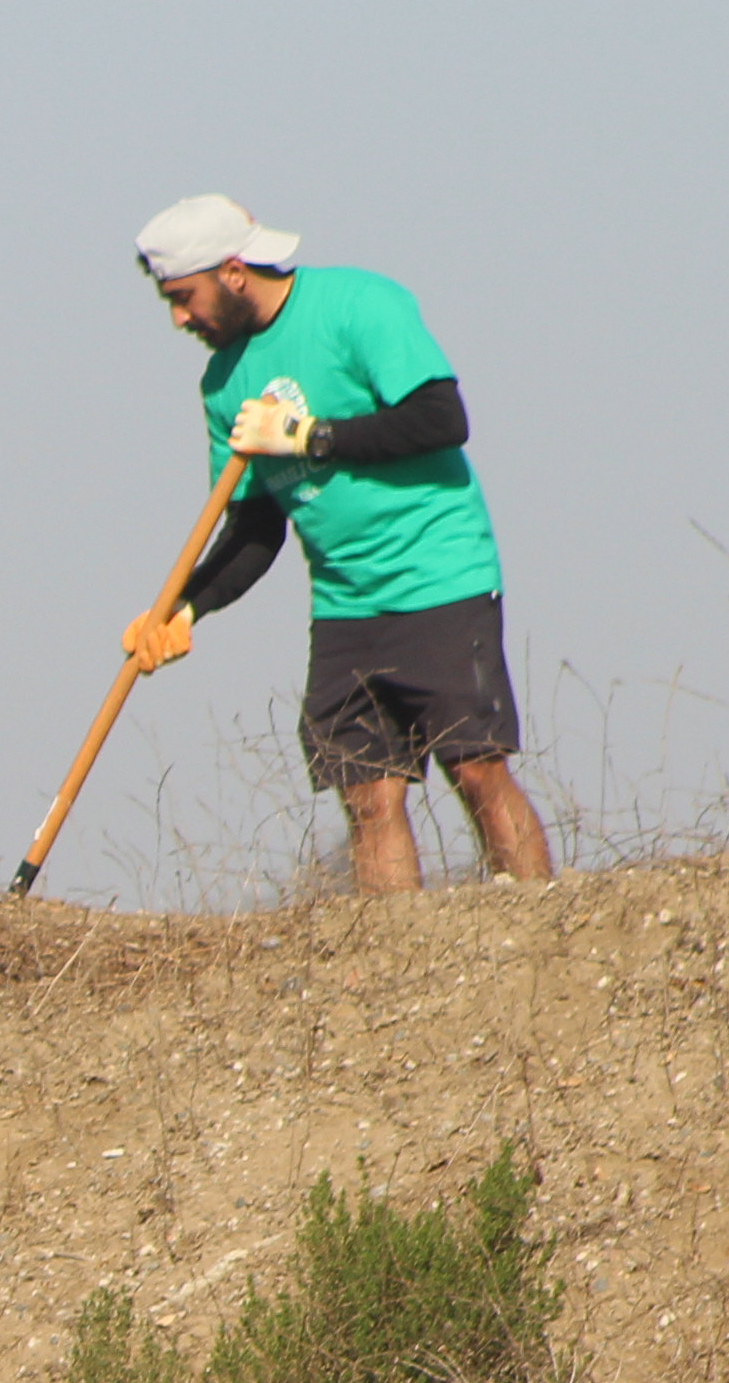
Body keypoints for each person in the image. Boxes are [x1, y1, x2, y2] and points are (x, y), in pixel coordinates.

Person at [121, 197, 552, 894]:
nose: (178, 319)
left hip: (438, 577)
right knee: (365, 793)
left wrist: (306, 437)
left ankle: (538, 931)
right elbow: (255, 528)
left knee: (473, 769)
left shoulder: (357, 304)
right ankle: (395, 959)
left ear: (232, 272)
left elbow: (441, 419)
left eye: (182, 297)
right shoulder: (221, 384)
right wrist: (183, 608)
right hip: (343, 607)